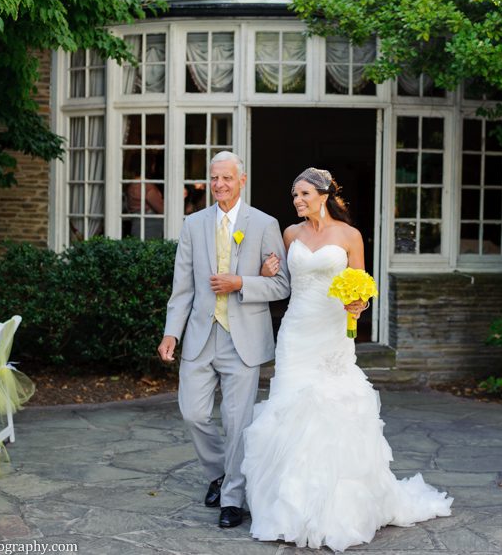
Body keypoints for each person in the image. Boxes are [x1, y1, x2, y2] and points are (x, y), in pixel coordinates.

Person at [241, 167, 453, 552]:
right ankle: (290, 508)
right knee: (291, 409)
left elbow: (362, 286)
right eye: (294, 196)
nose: (298, 201)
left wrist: (360, 304)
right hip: (297, 332)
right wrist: (262, 270)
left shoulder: (350, 236)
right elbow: (280, 284)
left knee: (334, 407)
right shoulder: (290, 235)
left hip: (334, 332)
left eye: (304, 194)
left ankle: (336, 509)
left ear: (323, 195)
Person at [157, 151, 290, 529]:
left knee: (236, 422)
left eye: (226, 179)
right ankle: (220, 471)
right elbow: (182, 287)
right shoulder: (193, 224)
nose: (219, 185)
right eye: (214, 178)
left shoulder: (264, 224)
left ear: (241, 181)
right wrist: (172, 333)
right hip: (200, 336)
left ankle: (233, 497)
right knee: (193, 412)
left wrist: (242, 283)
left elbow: (282, 284)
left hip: (243, 339)